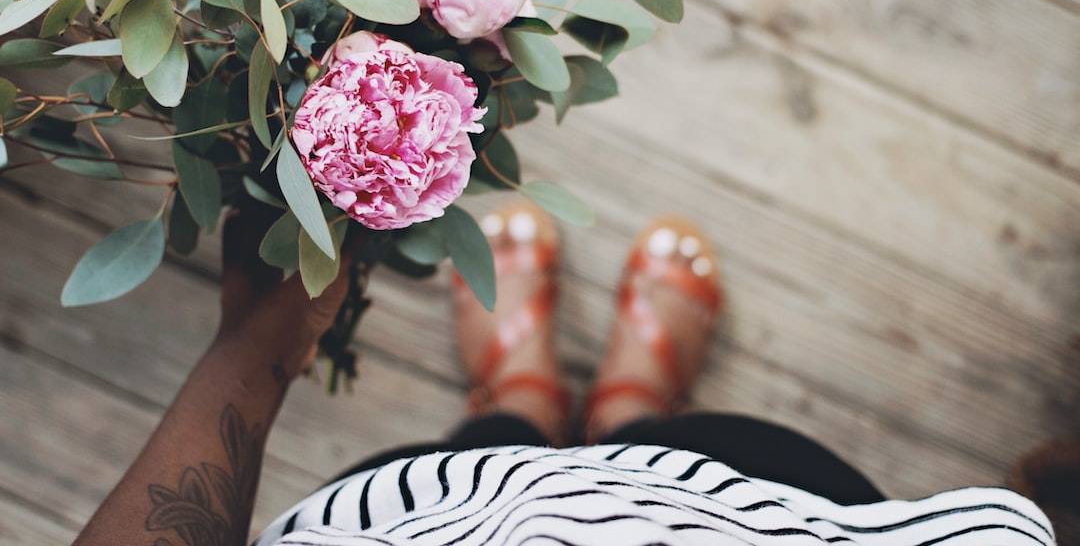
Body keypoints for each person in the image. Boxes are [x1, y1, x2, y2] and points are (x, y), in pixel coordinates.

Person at [72, 201, 1056, 546]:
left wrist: (263, 340)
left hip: (427, 525)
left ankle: (514, 407)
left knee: (485, 461)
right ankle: (637, 412)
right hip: (768, 523)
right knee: (702, 461)